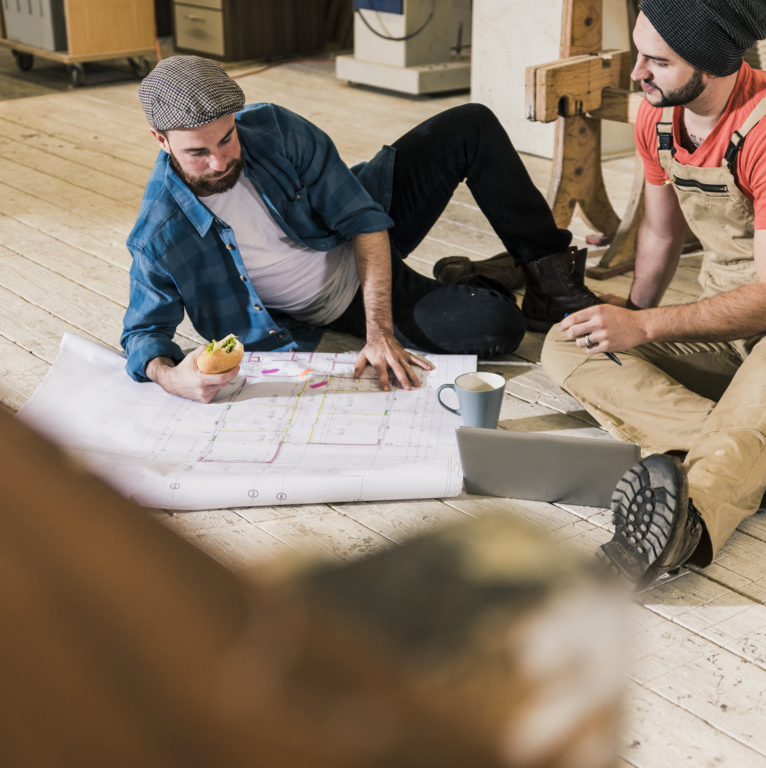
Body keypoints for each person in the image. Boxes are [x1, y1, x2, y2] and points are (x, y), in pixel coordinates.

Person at [121, 55, 601, 403]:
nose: (221, 159)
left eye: (228, 139)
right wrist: (170, 377)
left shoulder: (274, 129)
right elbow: (144, 333)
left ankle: (549, 282)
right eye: (198, 153)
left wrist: (381, 332)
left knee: (468, 124)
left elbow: (364, 220)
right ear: (160, 141)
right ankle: (481, 278)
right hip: (338, 304)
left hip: (361, 230)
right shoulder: (159, 232)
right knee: (500, 328)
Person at [541, 0, 766, 589]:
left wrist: (646, 330)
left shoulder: (764, 130)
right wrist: (631, 320)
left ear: (714, 65)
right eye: (638, 52)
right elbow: (661, 231)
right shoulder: (658, 115)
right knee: (568, 344)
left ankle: (687, 527)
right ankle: (743, 458)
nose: (636, 73)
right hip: (724, 332)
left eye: (656, 62)